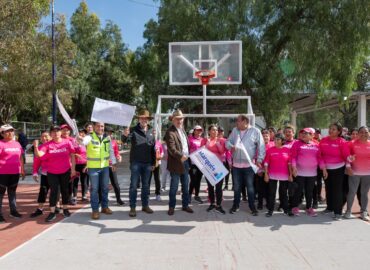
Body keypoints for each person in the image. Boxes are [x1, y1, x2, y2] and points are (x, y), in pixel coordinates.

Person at [34, 125, 76, 222]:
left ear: (60, 133)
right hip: (52, 172)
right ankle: (52, 212)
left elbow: (73, 156)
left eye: (57, 131)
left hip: (65, 171)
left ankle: (65, 209)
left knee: (65, 190)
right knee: (54, 192)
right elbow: (39, 155)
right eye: (53, 131)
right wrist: (36, 147)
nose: (56, 133)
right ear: (51, 134)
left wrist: (73, 169)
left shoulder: (67, 142)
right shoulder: (48, 144)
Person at [226, 114, 265, 216]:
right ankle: (235, 205)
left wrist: (259, 159)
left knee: (250, 187)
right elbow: (227, 142)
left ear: (245, 122)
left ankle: (252, 207)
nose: (236, 123)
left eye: (238, 121)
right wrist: (231, 146)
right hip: (236, 166)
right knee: (237, 187)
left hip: (249, 165)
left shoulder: (255, 131)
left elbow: (261, 146)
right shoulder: (235, 130)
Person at [79, 122, 117, 220]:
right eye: (98, 126)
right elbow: (83, 142)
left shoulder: (107, 138)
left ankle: (104, 207)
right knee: (94, 189)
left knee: (105, 188)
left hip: (105, 167)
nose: (100, 128)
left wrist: (113, 162)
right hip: (93, 168)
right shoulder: (90, 137)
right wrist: (79, 139)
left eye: (102, 126)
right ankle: (95, 210)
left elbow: (111, 151)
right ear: (95, 127)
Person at [122, 109, 155, 218]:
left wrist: (153, 162)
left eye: (145, 118)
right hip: (136, 163)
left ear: (148, 120)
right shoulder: (132, 130)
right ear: (139, 119)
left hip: (148, 163)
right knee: (134, 186)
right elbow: (125, 141)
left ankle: (145, 206)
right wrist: (125, 135)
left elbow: (153, 148)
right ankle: (132, 207)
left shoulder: (151, 131)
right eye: (142, 118)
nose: (144, 120)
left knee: (146, 186)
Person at [165, 109, 193, 216]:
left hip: (185, 162)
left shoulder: (183, 130)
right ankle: (171, 206)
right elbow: (171, 149)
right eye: (177, 119)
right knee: (174, 187)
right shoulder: (170, 132)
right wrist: (181, 156)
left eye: (181, 119)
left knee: (185, 186)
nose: (179, 121)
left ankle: (185, 205)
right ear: (173, 120)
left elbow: (186, 146)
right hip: (177, 163)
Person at [319, 122, 350, 220]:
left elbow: (346, 156)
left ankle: (338, 212)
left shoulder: (342, 141)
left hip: (339, 169)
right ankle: (330, 207)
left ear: (339, 132)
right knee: (329, 188)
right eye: (330, 128)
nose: (330, 130)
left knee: (337, 191)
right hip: (326, 169)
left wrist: (349, 163)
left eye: (333, 129)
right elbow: (320, 156)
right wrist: (323, 168)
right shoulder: (323, 140)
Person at [290, 128, 322, 217]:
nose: (303, 134)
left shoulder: (316, 145)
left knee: (309, 191)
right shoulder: (296, 144)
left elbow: (320, 158)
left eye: (306, 133)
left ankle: (309, 208)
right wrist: (294, 167)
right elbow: (293, 157)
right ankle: (295, 207)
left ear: (312, 135)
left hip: (312, 173)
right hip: (300, 173)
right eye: (302, 133)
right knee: (298, 191)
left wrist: (324, 169)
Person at [0, 124, 25, 223]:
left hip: (15, 172)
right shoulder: (1, 144)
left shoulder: (17, 144)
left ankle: (13, 211)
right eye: (7, 131)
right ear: (2, 134)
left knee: (12, 193)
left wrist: (22, 170)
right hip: (2, 173)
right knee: (0, 194)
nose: (10, 133)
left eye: (11, 131)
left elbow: (20, 157)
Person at [344, 126, 370, 221]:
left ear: (368, 133)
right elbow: (347, 157)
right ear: (358, 134)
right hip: (354, 173)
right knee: (352, 192)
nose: (364, 134)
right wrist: (348, 167)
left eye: (366, 132)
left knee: (364, 193)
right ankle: (348, 211)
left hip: (367, 173)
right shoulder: (352, 144)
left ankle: (364, 212)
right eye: (361, 132)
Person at [263, 133, 292, 217]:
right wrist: (266, 174)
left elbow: (289, 164)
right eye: (275, 139)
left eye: (278, 139)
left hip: (284, 176)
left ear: (282, 141)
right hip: (272, 175)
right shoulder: (270, 150)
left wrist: (290, 174)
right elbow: (266, 164)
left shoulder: (287, 150)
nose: (275, 141)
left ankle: (286, 209)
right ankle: (270, 210)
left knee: (283, 193)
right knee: (271, 193)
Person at [201, 125, 226, 214]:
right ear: (209, 131)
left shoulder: (221, 140)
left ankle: (218, 205)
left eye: (216, 130)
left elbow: (222, 152)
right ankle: (212, 203)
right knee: (210, 186)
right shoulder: (204, 140)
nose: (215, 132)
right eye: (213, 130)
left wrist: (218, 143)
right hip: (208, 166)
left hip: (218, 166)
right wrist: (207, 144)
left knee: (218, 187)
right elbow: (201, 152)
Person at [30, 130, 53, 218]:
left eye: (46, 136)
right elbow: (37, 161)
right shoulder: (39, 148)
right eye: (42, 136)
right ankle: (40, 209)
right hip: (45, 174)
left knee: (56, 191)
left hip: (56, 173)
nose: (44, 138)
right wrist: (35, 172)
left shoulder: (56, 145)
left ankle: (57, 207)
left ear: (51, 136)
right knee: (43, 191)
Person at [105, 127, 124, 205]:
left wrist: (119, 156)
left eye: (110, 133)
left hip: (112, 165)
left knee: (115, 183)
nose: (109, 134)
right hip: (103, 166)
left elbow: (116, 152)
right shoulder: (101, 141)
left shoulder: (114, 142)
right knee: (103, 184)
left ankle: (118, 199)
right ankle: (102, 199)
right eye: (107, 132)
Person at [256, 129, 274, 210]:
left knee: (269, 189)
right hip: (261, 171)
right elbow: (255, 158)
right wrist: (259, 170)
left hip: (271, 171)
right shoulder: (258, 146)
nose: (265, 137)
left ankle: (268, 203)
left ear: (270, 137)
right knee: (260, 189)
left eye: (267, 136)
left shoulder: (273, 145)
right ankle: (260, 204)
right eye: (263, 136)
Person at [188, 125, 204, 204]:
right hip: (193, 164)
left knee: (198, 180)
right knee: (193, 180)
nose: (199, 132)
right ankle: (189, 195)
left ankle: (197, 195)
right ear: (194, 131)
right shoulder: (190, 139)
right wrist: (188, 163)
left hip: (201, 164)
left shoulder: (202, 140)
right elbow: (187, 151)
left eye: (200, 130)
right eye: (197, 130)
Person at [74, 129, 88, 202]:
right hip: (75, 165)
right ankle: (75, 196)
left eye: (83, 133)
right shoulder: (74, 143)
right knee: (75, 181)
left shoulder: (86, 144)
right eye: (80, 133)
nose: (82, 134)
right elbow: (70, 153)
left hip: (84, 164)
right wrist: (76, 154)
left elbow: (90, 155)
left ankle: (84, 195)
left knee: (84, 181)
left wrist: (87, 165)